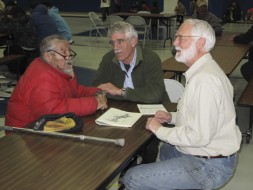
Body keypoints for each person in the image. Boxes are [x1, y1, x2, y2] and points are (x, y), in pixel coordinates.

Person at [123, 19, 242, 190]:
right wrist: (172, 117)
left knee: (133, 178)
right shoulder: (204, 70)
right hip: (208, 152)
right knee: (166, 150)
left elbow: (199, 136)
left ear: (200, 43)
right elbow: (199, 115)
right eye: (176, 36)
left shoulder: (204, 80)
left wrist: (159, 129)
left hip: (211, 166)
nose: (175, 42)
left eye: (181, 37)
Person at [5, 34, 108, 128]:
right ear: (48, 56)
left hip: (43, 125)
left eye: (69, 51)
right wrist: (94, 103)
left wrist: (96, 92)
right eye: (64, 52)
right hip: (24, 131)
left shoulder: (59, 68)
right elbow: (51, 110)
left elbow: (74, 91)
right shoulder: (41, 77)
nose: (69, 57)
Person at [92, 21, 169, 104]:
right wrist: (138, 95)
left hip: (155, 110)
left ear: (133, 41)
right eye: (112, 42)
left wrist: (121, 92)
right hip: (121, 109)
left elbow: (155, 94)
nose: (115, 48)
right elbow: (96, 88)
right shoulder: (108, 59)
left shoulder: (150, 58)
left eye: (120, 42)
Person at [0, 5, 39, 75]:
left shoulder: (16, 22)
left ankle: (14, 71)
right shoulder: (28, 19)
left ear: (13, 14)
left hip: (24, 47)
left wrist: (4, 17)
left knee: (7, 51)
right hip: (35, 47)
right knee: (10, 44)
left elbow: (2, 28)